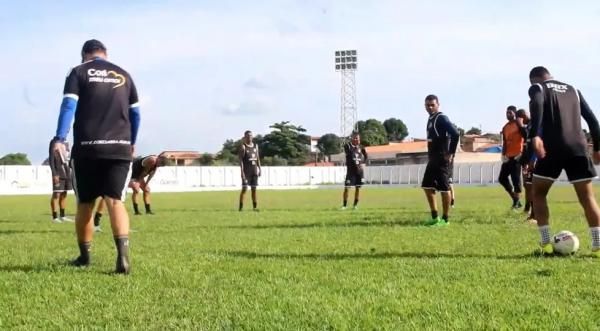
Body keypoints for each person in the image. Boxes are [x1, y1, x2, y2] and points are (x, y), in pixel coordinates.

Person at [51, 39, 140, 274]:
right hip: (120, 148)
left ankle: (84, 256)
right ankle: (122, 258)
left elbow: (68, 106)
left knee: (85, 203)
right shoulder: (124, 74)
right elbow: (136, 114)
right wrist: (131, 142)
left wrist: (60, 137)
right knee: (115, 201)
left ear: (84, 55)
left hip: (88, 147)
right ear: (105, 54)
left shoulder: (78, 71)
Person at [527, 66, 600, 256]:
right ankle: (598, 245)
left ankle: (546, 244)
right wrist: (598, 148)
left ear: (535, 80)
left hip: (552, 148)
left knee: (539, 193)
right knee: (587, 197)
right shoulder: (574, 90)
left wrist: (535, 135)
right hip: (578, 148)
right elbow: (593, 121)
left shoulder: (538, 88)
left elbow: (537, 105)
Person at [422, 94, 460, 226]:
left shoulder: (441, 118)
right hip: (433, 159)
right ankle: (434, 217)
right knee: (427, 186)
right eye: (427, 105)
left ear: (438, 105)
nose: (430, 107)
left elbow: (455, 133)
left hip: (441, 158)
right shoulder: (431, 119)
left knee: (444, 188)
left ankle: (445, 219)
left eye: (432, 105)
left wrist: (450, 152)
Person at [499, 106, 525, 209]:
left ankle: (516, 203)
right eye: (506, 112)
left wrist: (522, 153)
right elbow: (505, 142)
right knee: (502, 178)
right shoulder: (505, 127)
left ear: (515, 113)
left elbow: (526, 137)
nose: (508, 114)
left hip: (517, 156)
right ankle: (515, 199)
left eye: (510, 112)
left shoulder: (519, 124)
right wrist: (503, 154)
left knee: (516, 180)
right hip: (508, 157)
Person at [516, 108, 536, 223]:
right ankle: (528, 210)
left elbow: (531, 141)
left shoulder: (534, 124)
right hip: (527, 160)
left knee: (532, 187)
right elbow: (526, 144)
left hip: (533, 161)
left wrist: (520, 126)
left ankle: (534, 215)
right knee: (528, 186)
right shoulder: (528, 126)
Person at [48, 139, 73, 223]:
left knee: (64, 194)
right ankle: (54, 217)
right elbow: (51, 161)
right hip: (58, 174)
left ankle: (63, 216)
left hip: (67, 173)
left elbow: (68, 158)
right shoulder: (54, 142)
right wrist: (54, 174)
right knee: (56, 194)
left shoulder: (66, 143)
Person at [341, 132, 368, 210]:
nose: (357, 139)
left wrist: (363, 163)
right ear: (352, 138)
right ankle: (344, 206)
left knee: (358, 188)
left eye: (358, 138)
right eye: (355, 138)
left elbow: (366, 155)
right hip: (351, 172)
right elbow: (350, 154)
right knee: (347, 188)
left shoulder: (361, 147)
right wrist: (355, 147)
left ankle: (355, 205)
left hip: (359, 172)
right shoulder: (348, 146)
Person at [238, 130, 261, 211]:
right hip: (246, 172)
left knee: (254, 189)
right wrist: (242, 172)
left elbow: (257, 158)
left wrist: (259, 168)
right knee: (244, 189)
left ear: (252, 137)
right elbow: (240, 160)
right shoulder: (243, 147)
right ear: (245, 137)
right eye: (247, 136)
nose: (249, 137)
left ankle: (255, 207)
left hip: (254, 171)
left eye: (250, 136)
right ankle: (241, 208)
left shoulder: (255, 146)